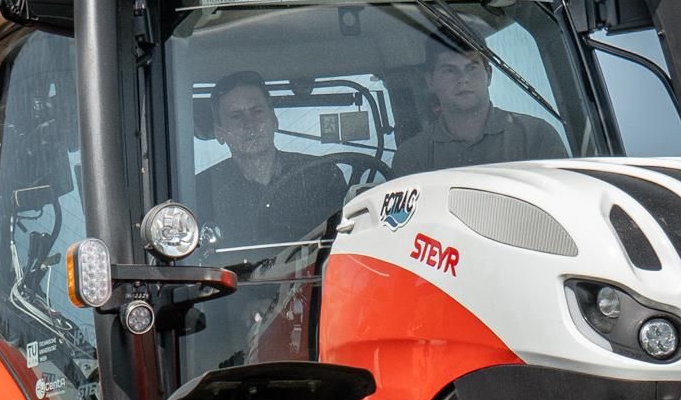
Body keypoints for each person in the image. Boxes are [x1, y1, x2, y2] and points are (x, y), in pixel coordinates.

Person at [190, 75, 348, 249]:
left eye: (257, 111)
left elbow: (350, 242)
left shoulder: (323, 175)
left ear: (274, 120)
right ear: (220, 132)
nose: (250, 124)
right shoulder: (202, 192)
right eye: (236, 116)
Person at [392, 32, 569, 174]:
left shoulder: (536, 136)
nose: (463, 79)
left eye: (472, 68)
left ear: (489, 74)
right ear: (430, 81)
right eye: (450, 71)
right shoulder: (412, 156)